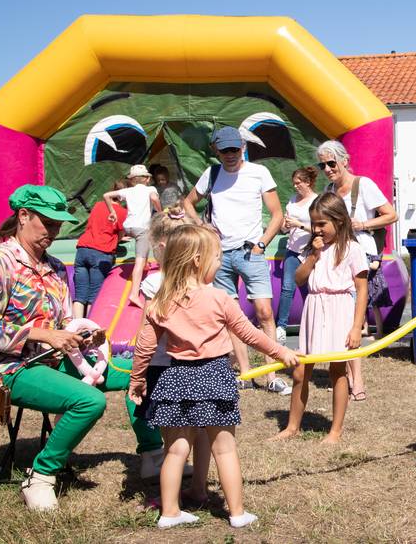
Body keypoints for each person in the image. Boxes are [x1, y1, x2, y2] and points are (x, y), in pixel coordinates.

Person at [128, 225, 299, 529]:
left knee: (176, 449)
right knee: (225, 448)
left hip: (175, 378)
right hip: (214, 376)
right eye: (217, 257)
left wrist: (138, 378)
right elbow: (248, 333)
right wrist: (279, 352)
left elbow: (145, 343)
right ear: (197, 260)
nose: (220, 263)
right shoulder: (219, 298)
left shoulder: (163, 300)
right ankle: (236, 513)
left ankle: (169, 513)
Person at [0, 185, 107, 511]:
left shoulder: (57, 267)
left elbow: (61, 326)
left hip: (50, 359)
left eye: (59, 225)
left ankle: (153, 456)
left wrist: (81, 336)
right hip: (5, 369)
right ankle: (41, 476)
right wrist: (45, 336)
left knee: (136, 374)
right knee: (89, 401)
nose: (55, 231)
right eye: (48, 223)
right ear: (24, 216)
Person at [182, 127, 287, 394]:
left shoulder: (259, 173)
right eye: (225, 150)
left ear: (242, 148)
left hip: (251, 251)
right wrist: (202, 227)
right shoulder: (212, 173)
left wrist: (262, 244)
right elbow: (188, 203)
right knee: (230, 316)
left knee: (264, 312)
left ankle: (271, 374)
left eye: (235, 149)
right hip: (220, 255)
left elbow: (277, 214)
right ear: (215, 150)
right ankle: (245, 373)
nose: (230, 155)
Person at [271, 193, 368, 443]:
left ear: (339, 221)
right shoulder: (313, 248)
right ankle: (292, 427)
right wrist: (313, 256)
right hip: (314, 307)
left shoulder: (353, 249)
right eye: (314, 224)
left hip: (340, 309)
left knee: (337, 371)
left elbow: (362, 290)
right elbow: (299, 279)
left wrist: (356, 327)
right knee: (301, 371)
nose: (317, 229)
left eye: (322, 224)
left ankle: (335, 431)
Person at [135, 207, 210, 512]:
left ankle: (172, 497)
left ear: (162, 247)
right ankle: (199, 489)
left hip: (164, 369)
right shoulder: (205, 283)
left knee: (173, 439)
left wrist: (137, 372)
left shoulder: (155, 284)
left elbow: (146, 333)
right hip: (199, 364)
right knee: (204, 428)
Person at [316, 140, 397, 402]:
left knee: (353, 318)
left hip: (360, 254)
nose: (327, 169)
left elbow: (391, 215)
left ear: (344, 161)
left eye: (331, 163)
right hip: (335, 256)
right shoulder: (328, 190)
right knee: (342, 319)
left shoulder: (364, 185)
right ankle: (343, 376)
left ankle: (357, 380)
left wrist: (362, 224)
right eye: (323, 165)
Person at [104, 165, 161, 304]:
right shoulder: (150, 189)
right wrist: (160, 211)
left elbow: (106, 195)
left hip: (128, 227)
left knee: (146, 243)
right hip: (141, 228)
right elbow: (154, 198)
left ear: (132, 180)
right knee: (139, 261)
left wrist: (112, 211)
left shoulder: (128, 190)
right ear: (147, 179)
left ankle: (145, 264)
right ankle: (134, 294)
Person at [275, 167, 319, 343]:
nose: (295, 186)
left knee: (313, 289)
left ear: (308, 182)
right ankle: (281, 327)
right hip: (293, 250)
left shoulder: (317, 201)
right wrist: (285, 226)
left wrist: (299, 225)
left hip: (311, 251)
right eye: (293, 183)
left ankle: (314, 324)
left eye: (298, 183)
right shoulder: (293, 200)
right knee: (287, 288)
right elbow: (285, 227)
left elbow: (320, 229)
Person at [73, 178, 128, 318]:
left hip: (83, 249)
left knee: (80, 295)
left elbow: (92, 224)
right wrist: (119, 238)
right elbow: (120, 232)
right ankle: (91, 328)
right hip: (101, 252)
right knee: (94, 295)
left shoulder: (98, 205)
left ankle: (76, 326)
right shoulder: (122, 212)